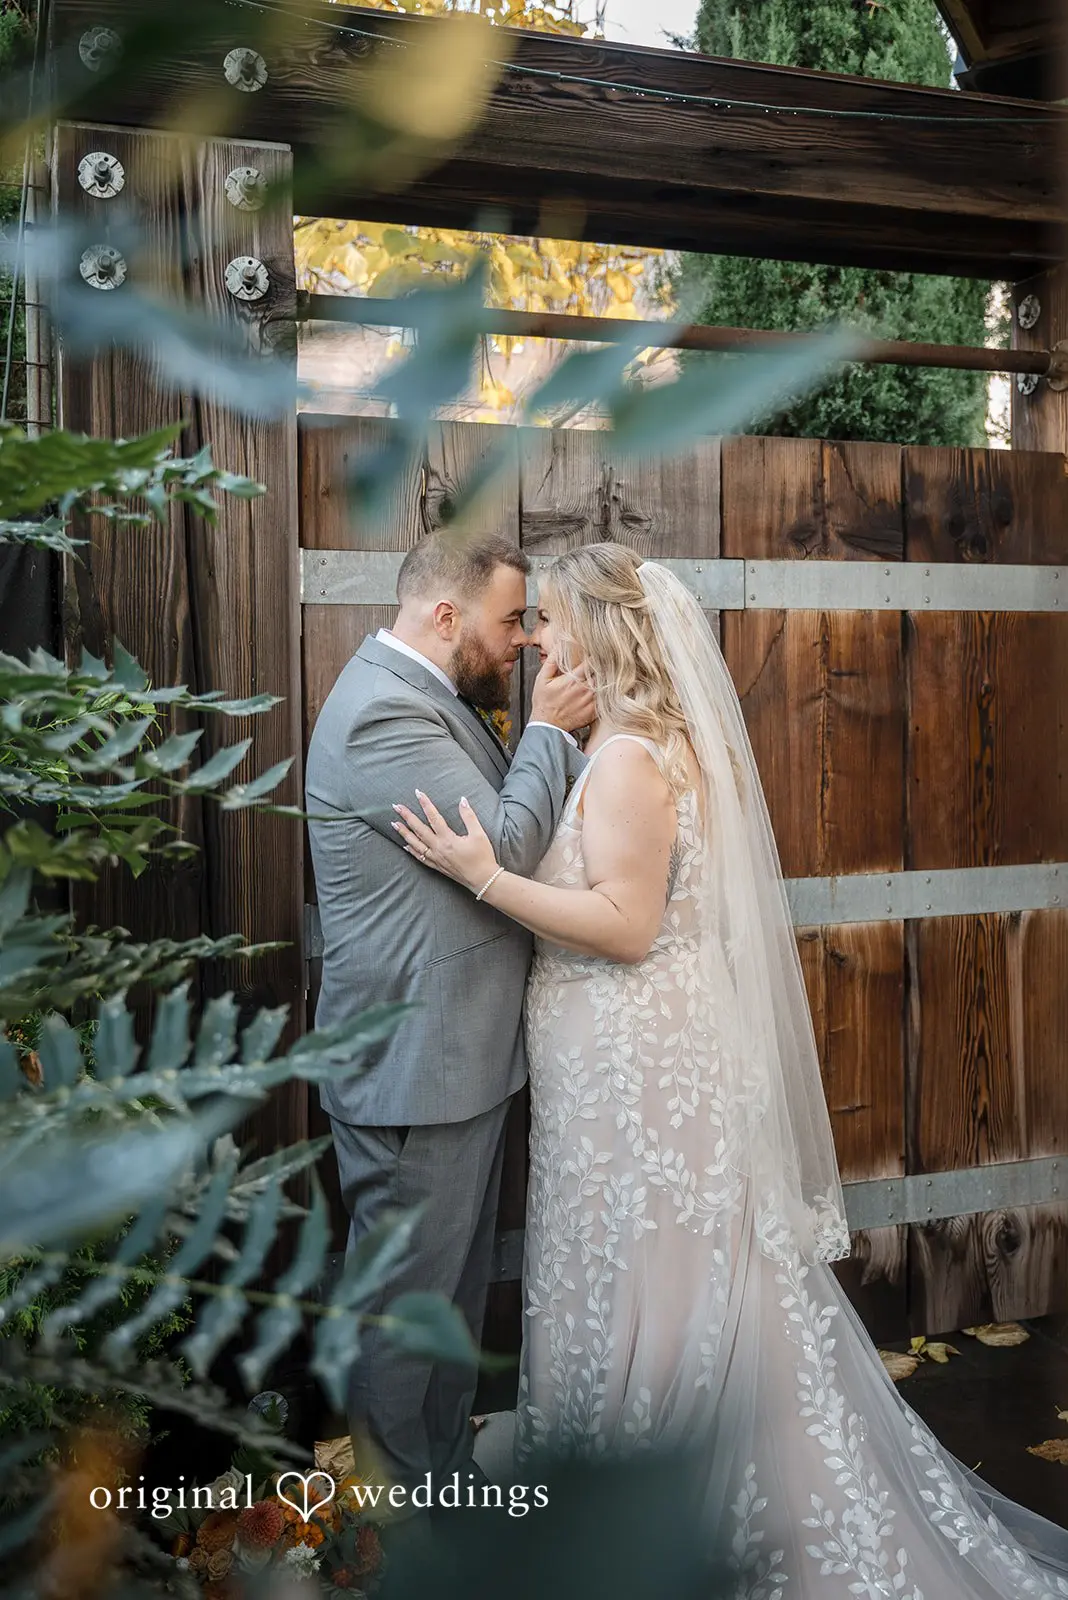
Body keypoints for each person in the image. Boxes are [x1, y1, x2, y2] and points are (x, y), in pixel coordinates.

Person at [392, 542, 1068, 1594]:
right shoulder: (632, 743)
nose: (539, 641)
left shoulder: (626, 760)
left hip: (634, 1069)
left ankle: (655, 1491)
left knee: (652, 1274)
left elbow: (624, 925)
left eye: (554, 622)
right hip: (623, 1061)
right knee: (655, 1269)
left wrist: (484, 875)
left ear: (600, 633)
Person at [306, 531, 593, 1505]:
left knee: (450, 1313)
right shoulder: (385, 714)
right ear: (444, 614)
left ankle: (446, 1487)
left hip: (456, 1063)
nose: (519, 642)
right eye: (510, 620)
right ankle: (398, 1531)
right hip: (411, 1071)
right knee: (406, 1319)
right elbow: (502, 848)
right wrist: (550, 730)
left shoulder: (433, 700)